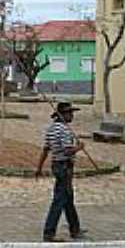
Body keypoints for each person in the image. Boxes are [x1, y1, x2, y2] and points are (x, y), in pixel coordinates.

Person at [35, 101, 87, 242]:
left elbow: (46, 150)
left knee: (68, 199)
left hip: (56, 165)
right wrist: (79, 148)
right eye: (70, 113)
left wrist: (39, 167)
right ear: (63, 115)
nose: (72, 115)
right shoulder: (64, 130)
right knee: (59, 200)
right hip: (64, 166)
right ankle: (49, 232)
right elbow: (67, 150)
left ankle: (75, 229)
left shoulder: (51, 129)